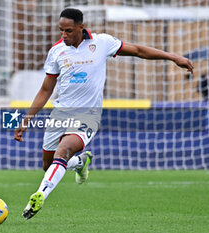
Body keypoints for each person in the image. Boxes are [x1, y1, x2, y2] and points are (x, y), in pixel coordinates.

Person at [14, 8, 193, 220]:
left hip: (88, 115)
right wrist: (27, 119)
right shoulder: (56, 51)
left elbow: (138, 51)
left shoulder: (102, 43)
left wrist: (172, 57)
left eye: (68, 30)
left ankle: (38, 197)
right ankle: (80, 163)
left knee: (62, 151)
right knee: (48, 165)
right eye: (61, 30)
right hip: (60, 114)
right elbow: (46, 89)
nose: (64, 35)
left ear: (81, 27)